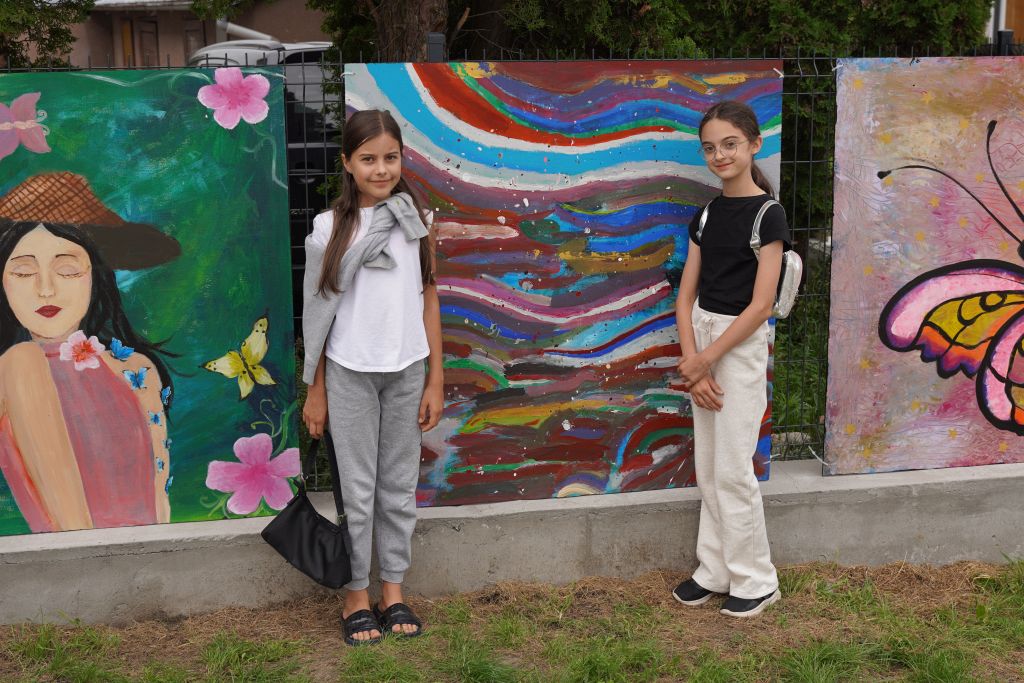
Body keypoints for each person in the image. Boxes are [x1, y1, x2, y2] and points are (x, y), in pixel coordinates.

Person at [301, 109, 443, 645]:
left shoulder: (416, 222)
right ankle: (356, 595)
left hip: (406, 371)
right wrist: (317, 389)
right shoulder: (328, 228)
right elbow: (317, 315)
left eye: (391, 157)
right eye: (368, 159)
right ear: (347, 163)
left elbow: (429, 298)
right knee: (358, 493)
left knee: (398, 489)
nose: (381, 169)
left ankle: (393, 592)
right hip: (349, 373)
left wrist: (435, 379)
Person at [0, 172, 179, 533]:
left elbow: (160, 502)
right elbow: (69, 525)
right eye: (23, 272)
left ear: (94, 275)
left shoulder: (136, 367)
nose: (45, 289)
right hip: (83, 559)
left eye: (67, 270)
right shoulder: (18, 365)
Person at [673, 101, 790, 617]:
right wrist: (693, 360)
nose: (719, 155)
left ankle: (757, 579)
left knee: (733, 469)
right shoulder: (706, 214)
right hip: (702, 339)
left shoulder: (768, 215)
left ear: (753, 145)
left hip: (738, 346)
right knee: (708, 467)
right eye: (710, 148)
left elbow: (761, 305)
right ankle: (715, 570)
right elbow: (685, 298)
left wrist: (708, 360)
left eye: (730, 144)